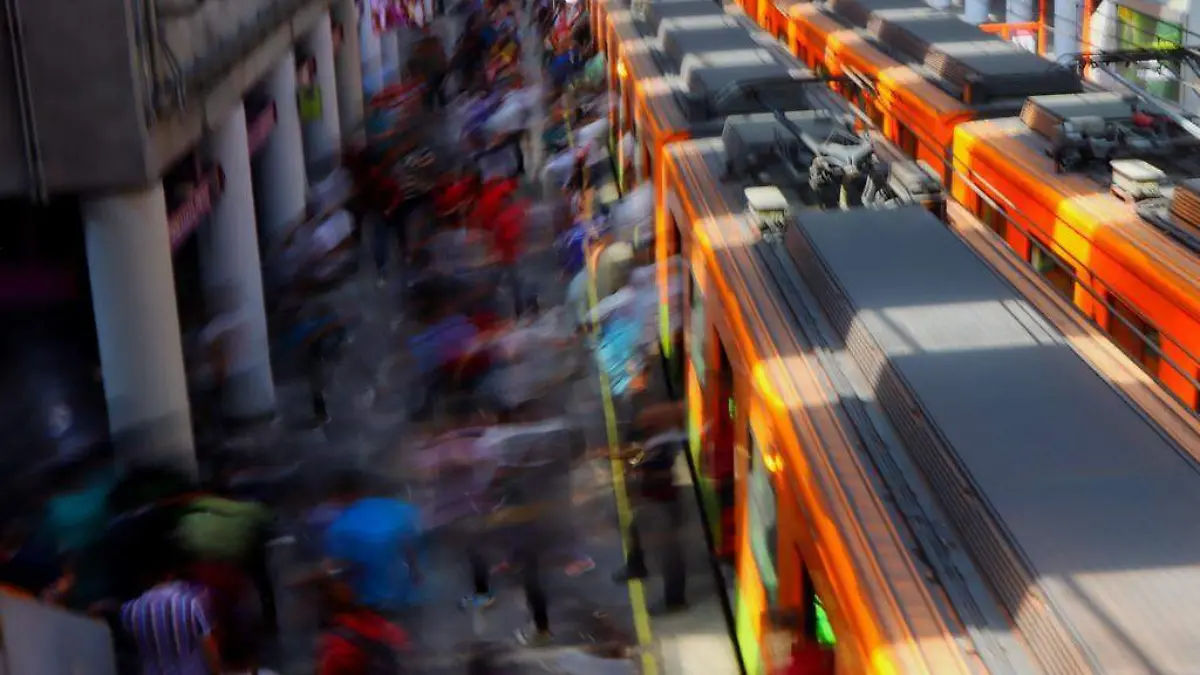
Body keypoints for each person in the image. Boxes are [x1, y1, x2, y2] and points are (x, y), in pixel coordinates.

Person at [322, 472, 423, 615]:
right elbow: (413, 555)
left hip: (371, 609)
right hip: (410, 600)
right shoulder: (405, 510)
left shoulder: (339, 528)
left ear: (340, 496)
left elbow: (337, 579)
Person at [120, 547, 222, 675]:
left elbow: (132, 653)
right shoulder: (190, 604)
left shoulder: (128, 612)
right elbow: (208, 647)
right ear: (171, 573)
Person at [316, 570, 408, 675]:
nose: (352, 585)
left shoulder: (370, 620)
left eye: (349, 580)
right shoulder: (336, 639)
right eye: (343, 582)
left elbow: (401, 645)